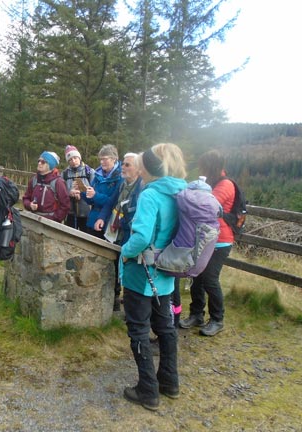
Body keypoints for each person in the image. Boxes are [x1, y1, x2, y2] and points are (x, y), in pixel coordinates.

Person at [120, 143, 187, 411]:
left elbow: (141, 237)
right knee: (166, 327)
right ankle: (169, 381)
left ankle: (147, 390)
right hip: (167, 273)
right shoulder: (180, 191)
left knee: (138, 329)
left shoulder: (150, 195)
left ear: (147, 167)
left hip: (141, 274)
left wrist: (124, 252)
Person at [179, 150, 235, 337]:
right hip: (204, 238)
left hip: (220, 241)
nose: (200, 169)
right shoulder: (209, 183)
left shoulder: (225, 185)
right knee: (196, 276)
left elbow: (207, 204)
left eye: (203, 165)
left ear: (211, 166)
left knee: (210, 279)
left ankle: (217, 319)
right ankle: (197, 314)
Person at [95, 152, 144, 310]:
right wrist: (102, 217)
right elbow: (111, 202)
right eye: (123, 163)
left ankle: (131, 306)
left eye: (127, 165)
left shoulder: (142, 188)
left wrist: (122, 223)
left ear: (138, 169)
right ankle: (115, 298)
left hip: (129, 234)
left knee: (129, 268)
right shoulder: (122, 183)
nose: (122, 167)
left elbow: (138, 216)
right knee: (115, 263)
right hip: (114, 232)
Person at [82, 144, 122, 239]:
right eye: (101, 159)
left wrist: (95, 195)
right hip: (92, 220)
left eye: (105, 159)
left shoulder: (120, 177)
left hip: (108, 223)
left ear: (114, 159)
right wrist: (82, 192)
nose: (102, 162)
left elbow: (113, 202)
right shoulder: (97, 175)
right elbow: (90, 201)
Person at [22, 151, 70, 223]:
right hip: (33, 219)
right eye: (39, 161)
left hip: (51, 223)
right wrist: (29, 205)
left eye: (43, 162)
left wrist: (54, 218)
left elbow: (65, 205)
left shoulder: (58, 182)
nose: (39, 163)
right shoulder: (34, 180)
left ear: (50, 164)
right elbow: (26, 198)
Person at [62, 145, 94, 231]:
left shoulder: (89, 172)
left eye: (75, 158)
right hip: (71, 214)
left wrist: (83, 192)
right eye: (70, 160)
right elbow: (61, 192)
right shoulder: (65, 174)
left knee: (86, 240)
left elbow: (95, 190)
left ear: (79, 157)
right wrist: (69, 193)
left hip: (87, 213)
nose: (73, 161)